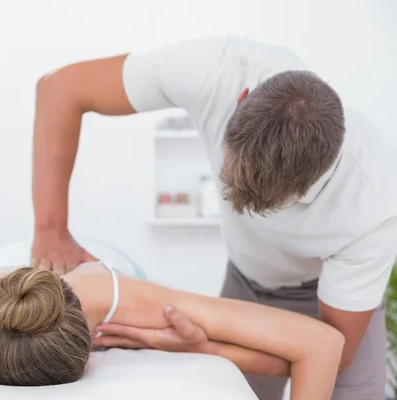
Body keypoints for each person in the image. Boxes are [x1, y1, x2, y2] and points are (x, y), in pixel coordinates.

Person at [29, 36, 397, 399]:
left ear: (315, 178)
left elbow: (333, 353)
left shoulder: (373, 209)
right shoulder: (217, 70)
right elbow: (61, 87)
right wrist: (51, 229)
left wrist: (204, 348)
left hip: (331, 299)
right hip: (247, 280)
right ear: (239, 102)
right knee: (227, 389)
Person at [0, 242, 344, 400]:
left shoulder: (127, 302)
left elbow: (319, 345)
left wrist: (188, 345)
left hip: (106, 264)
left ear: (90, 350)